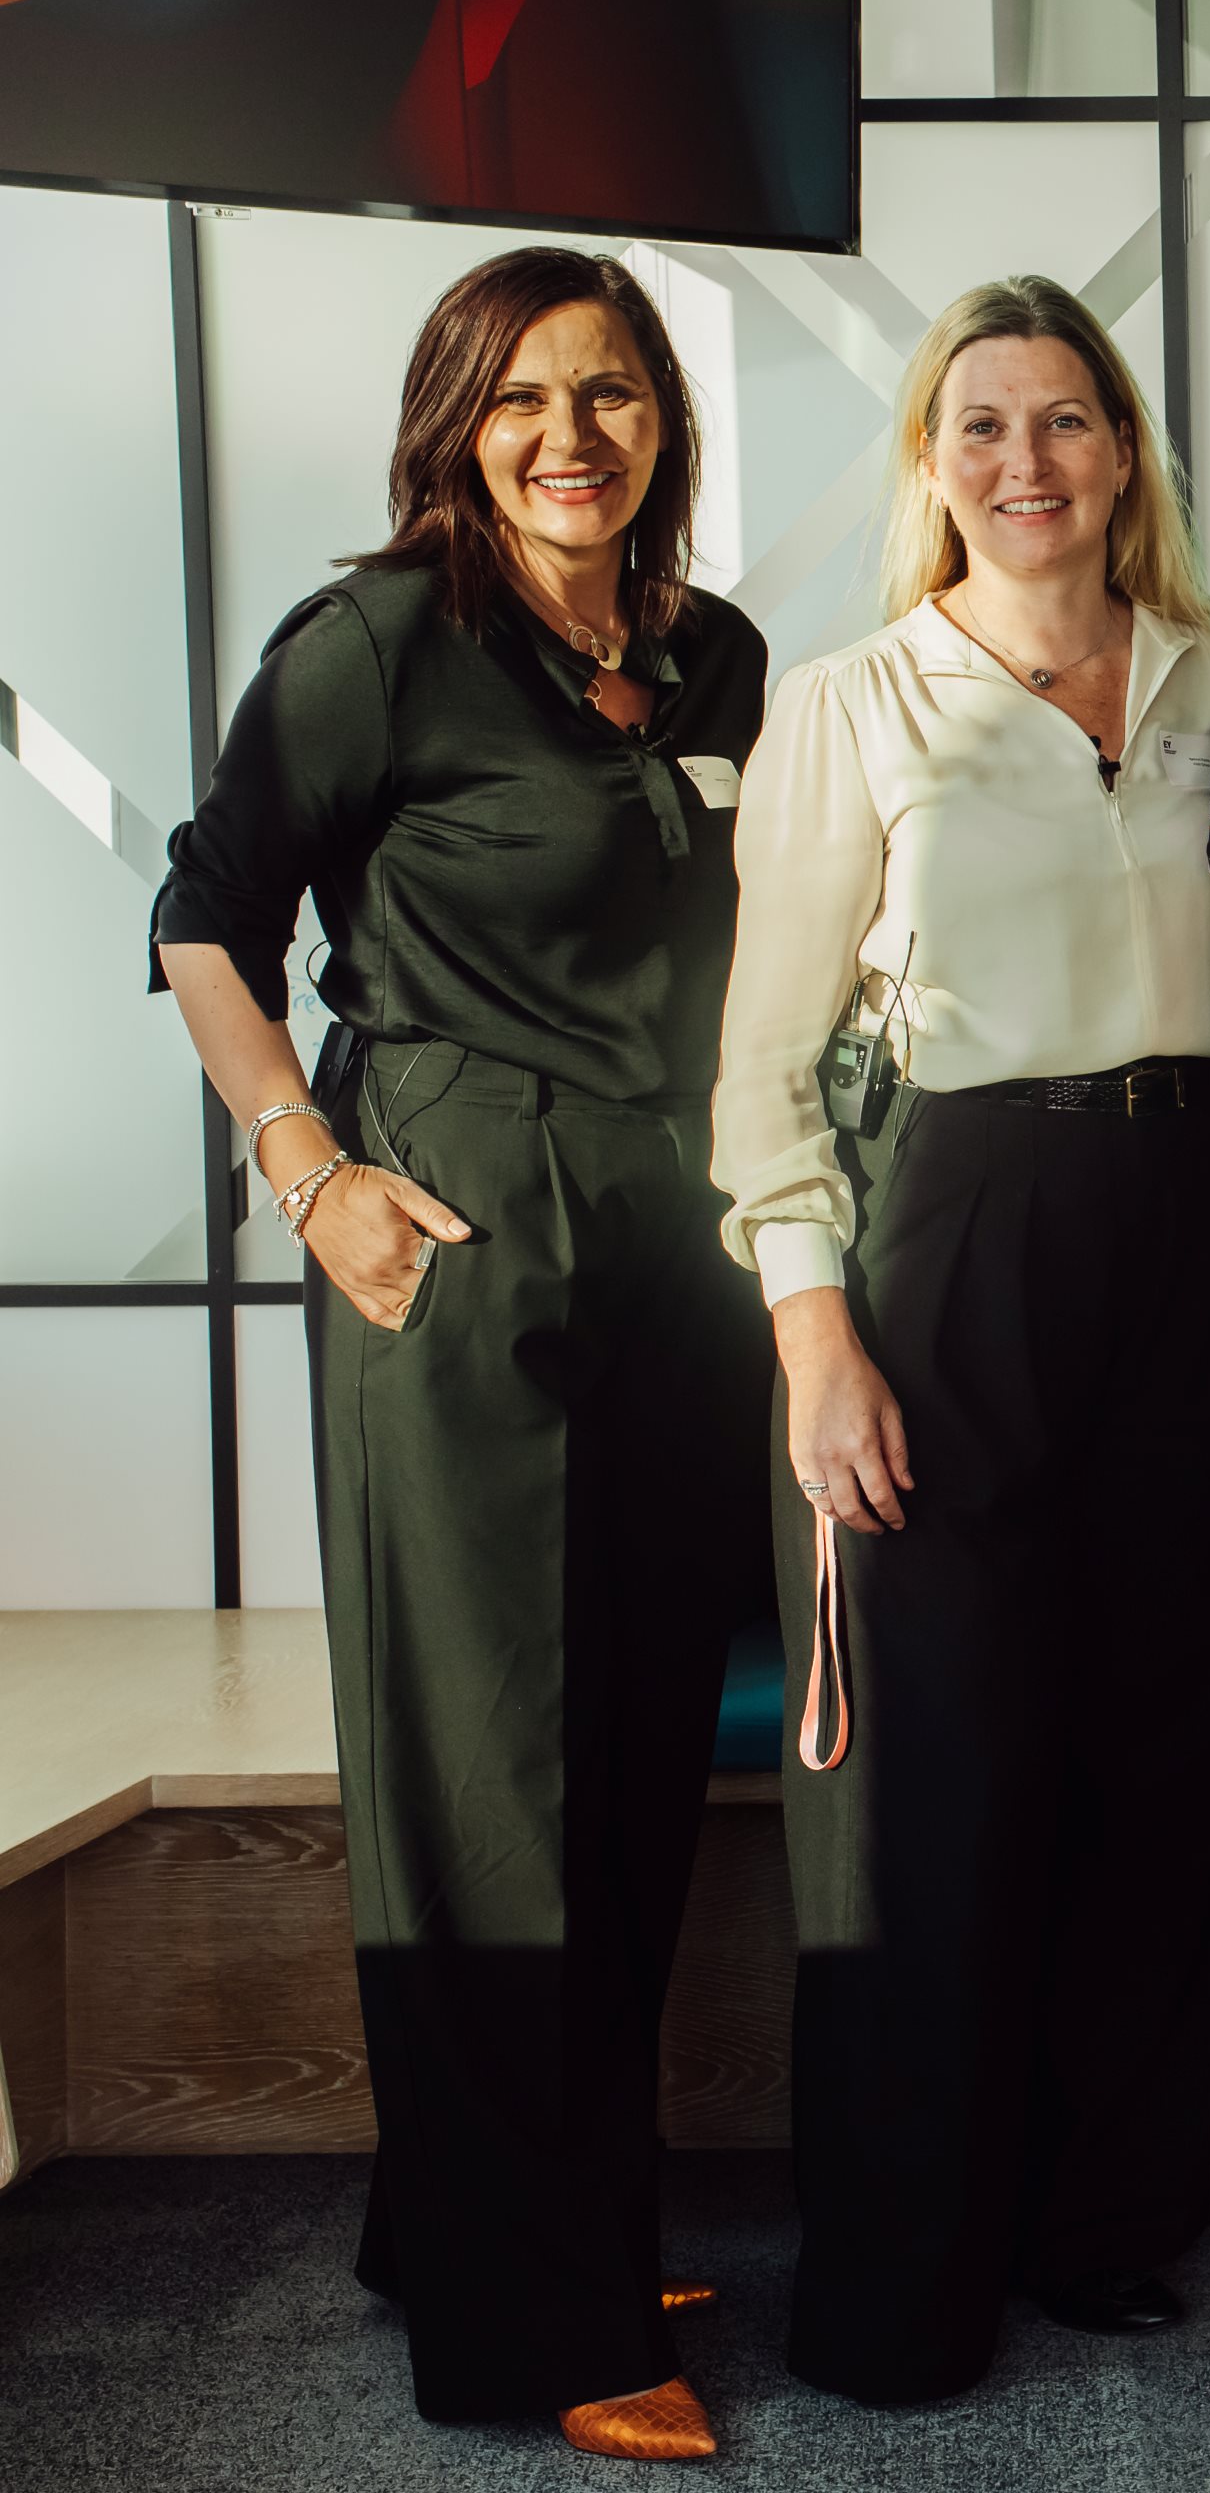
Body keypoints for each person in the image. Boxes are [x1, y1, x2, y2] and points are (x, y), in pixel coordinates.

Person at [149, 247, 768, 2461]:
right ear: (457, 420)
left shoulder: (714, 658)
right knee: (490, 1779)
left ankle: (508, 2211)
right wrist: (311, 1176)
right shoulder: (376, 642)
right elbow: (203, 912)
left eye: (610, 393)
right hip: (461, 1246)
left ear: (663, 425)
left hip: (680, 1261)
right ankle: (534, 2327)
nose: (569, 434)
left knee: (621, 1764)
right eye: (523, 399)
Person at [709, 277, 1210, 2405]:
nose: (1024, 464)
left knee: (1154, 1756)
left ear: (1124, 451)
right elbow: (758, 1070)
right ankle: (899, 2282)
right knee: (931, 1788)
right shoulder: (858, 701)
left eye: (1063, 421)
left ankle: (1107, 2217)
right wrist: (813, 1333)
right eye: (979, 430)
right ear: (932, 468)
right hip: (950, 1241)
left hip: (1196, 1221)